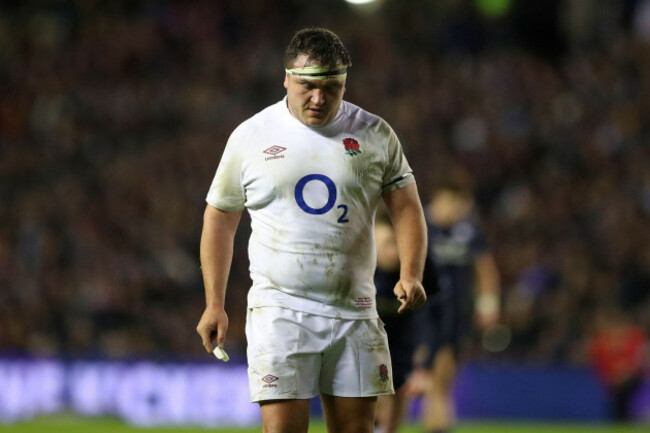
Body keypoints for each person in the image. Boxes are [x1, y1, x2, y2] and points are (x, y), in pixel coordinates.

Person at [196, 27, 428, 433]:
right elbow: (220, 218)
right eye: (307, 86)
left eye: (332, 87)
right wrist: (214, 301)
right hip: (280, 311)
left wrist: (411, 272)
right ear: (285, 77)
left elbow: (406, 206)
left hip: (354, 311)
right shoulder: (251, 137)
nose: (319, 98)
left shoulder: (374, 134)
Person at [408, 180, 500, 433]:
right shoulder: (416, 223)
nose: (455, 210)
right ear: (437, 199)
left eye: (461, 205)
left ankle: (436, 423)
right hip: (420, 311)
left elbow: (485, 270)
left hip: (456, 313)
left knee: (442, 377)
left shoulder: (469, 231)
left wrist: (488, 304)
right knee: (415, 375)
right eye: (451, 202)